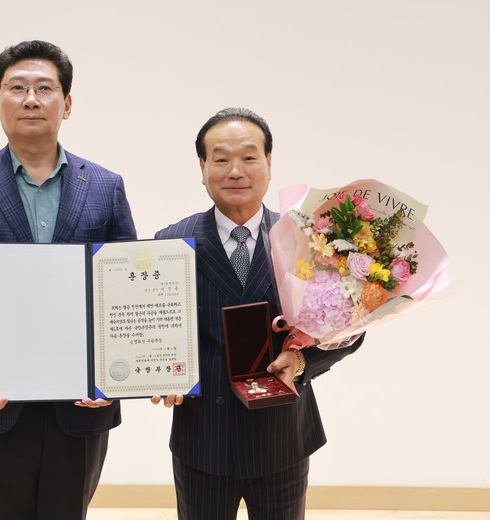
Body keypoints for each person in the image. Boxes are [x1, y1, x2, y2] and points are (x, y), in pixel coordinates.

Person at [0, 40, 137, 520]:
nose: (31, 99)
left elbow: (126, 293)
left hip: (82, 404)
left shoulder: (106, 186)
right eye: (17, 88)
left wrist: (113, 373)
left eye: (45, 88)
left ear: (67, 103)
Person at [152, 108, 363, 520]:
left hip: (281, 437)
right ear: (202, 168)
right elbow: (155, 329)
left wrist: (301, 361)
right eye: (221, 158)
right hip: (204, 440)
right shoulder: (171, 243)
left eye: (249, 157)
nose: (235, 171)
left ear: (268, 163)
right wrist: (159, 372)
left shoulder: (308, 240)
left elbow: (350, 328)